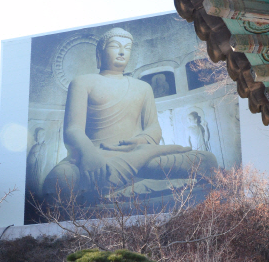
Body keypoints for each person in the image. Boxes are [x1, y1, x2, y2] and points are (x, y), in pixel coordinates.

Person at [43, 27, 217, 203]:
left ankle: (126, 178)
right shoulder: (82, 83)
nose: (121, 52)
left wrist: (140, 141)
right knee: (59, 180)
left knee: (207, 160)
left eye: (127, 48)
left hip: (140, 157)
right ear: (99, 53)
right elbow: (73, 129)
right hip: (95, 155)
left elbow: (153, 128)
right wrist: (89, 154)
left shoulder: (143, 88)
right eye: (115, 46)